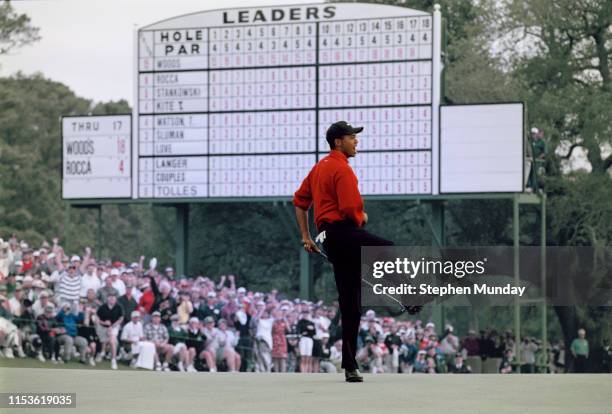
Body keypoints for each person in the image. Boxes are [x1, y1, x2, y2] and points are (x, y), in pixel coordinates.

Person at [293, 121, 421, 382]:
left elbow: (300, 201)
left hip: (327, 238)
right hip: (343, 231)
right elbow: (352, 208)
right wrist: (362, 217)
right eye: (352, 137)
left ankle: (350, 366)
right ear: (338, 142)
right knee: (387, 249)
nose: (356, 142)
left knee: (351, 303)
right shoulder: (342, 168)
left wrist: (306, 236)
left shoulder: (318, 168)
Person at [95, 292, 124, 369]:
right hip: (102, 326)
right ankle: (102, 352)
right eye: (110, 297)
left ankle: (113, 360)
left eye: (113, 298)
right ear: (107, 298)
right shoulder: (102, 307)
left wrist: (112, 326)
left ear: (115, 299)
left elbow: (121, 319)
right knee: (104, 339)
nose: (111, 299)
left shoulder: (119, 307)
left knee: (112, 340)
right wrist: (104, 323)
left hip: (114, 326)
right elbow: (97, 318)